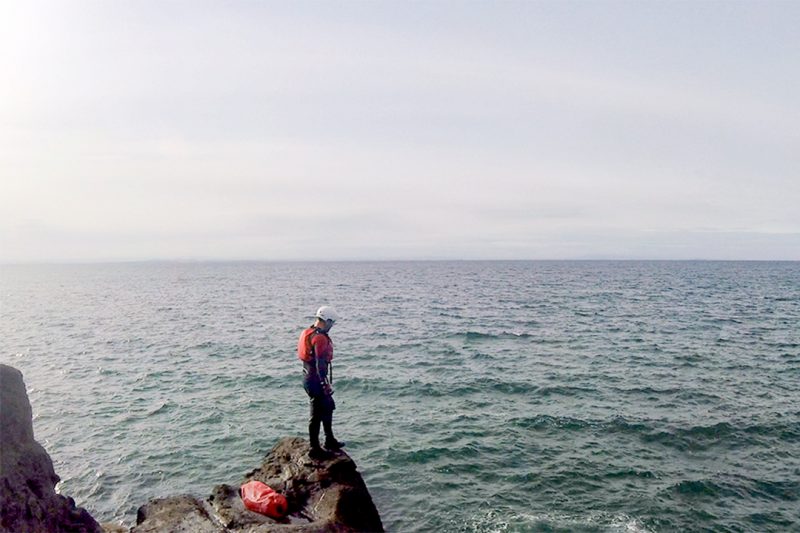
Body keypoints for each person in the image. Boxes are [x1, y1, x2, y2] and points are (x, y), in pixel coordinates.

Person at [297, 306, 345, 459]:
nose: (332, 326)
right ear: (327, 321)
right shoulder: (320, 338)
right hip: (315, 380)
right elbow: (320, 364)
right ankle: (314, 448)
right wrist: (325, 385)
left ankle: (329, 439)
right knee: (317, 412)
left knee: (328, 406)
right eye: (332, 323)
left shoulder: (309, 332)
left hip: (308, 377)